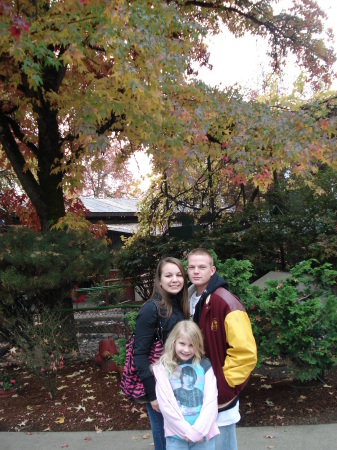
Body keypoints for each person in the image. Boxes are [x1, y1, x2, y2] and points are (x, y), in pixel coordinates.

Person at [186, 248, 257, 450]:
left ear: (213, 269)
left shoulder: (225, 302)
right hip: (196, 392)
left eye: (202, 267)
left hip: (219, 397)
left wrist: (224, 386)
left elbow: (246, 354)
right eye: (191, 267)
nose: (196, 271)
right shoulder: (187, 301)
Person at [133, 257, 190, 450]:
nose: (174, 279)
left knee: (179, 440)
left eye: (178, 275)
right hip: (160, 387)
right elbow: (139, 354)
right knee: (165, 441)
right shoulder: (151, 309)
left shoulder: (180, 306)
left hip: (179, 384)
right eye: (168, 275)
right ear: (159, 280)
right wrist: (152, 394)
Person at [153, 320, 219, 450]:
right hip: (176, 437)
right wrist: (187, 432)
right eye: (182, 343)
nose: (186, 349)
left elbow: (211, 402)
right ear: (173, 341)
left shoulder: (204, 366)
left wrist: (198, 432)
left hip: (203, 436)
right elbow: (166, 406)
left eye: (191, 345)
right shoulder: (163, 368)